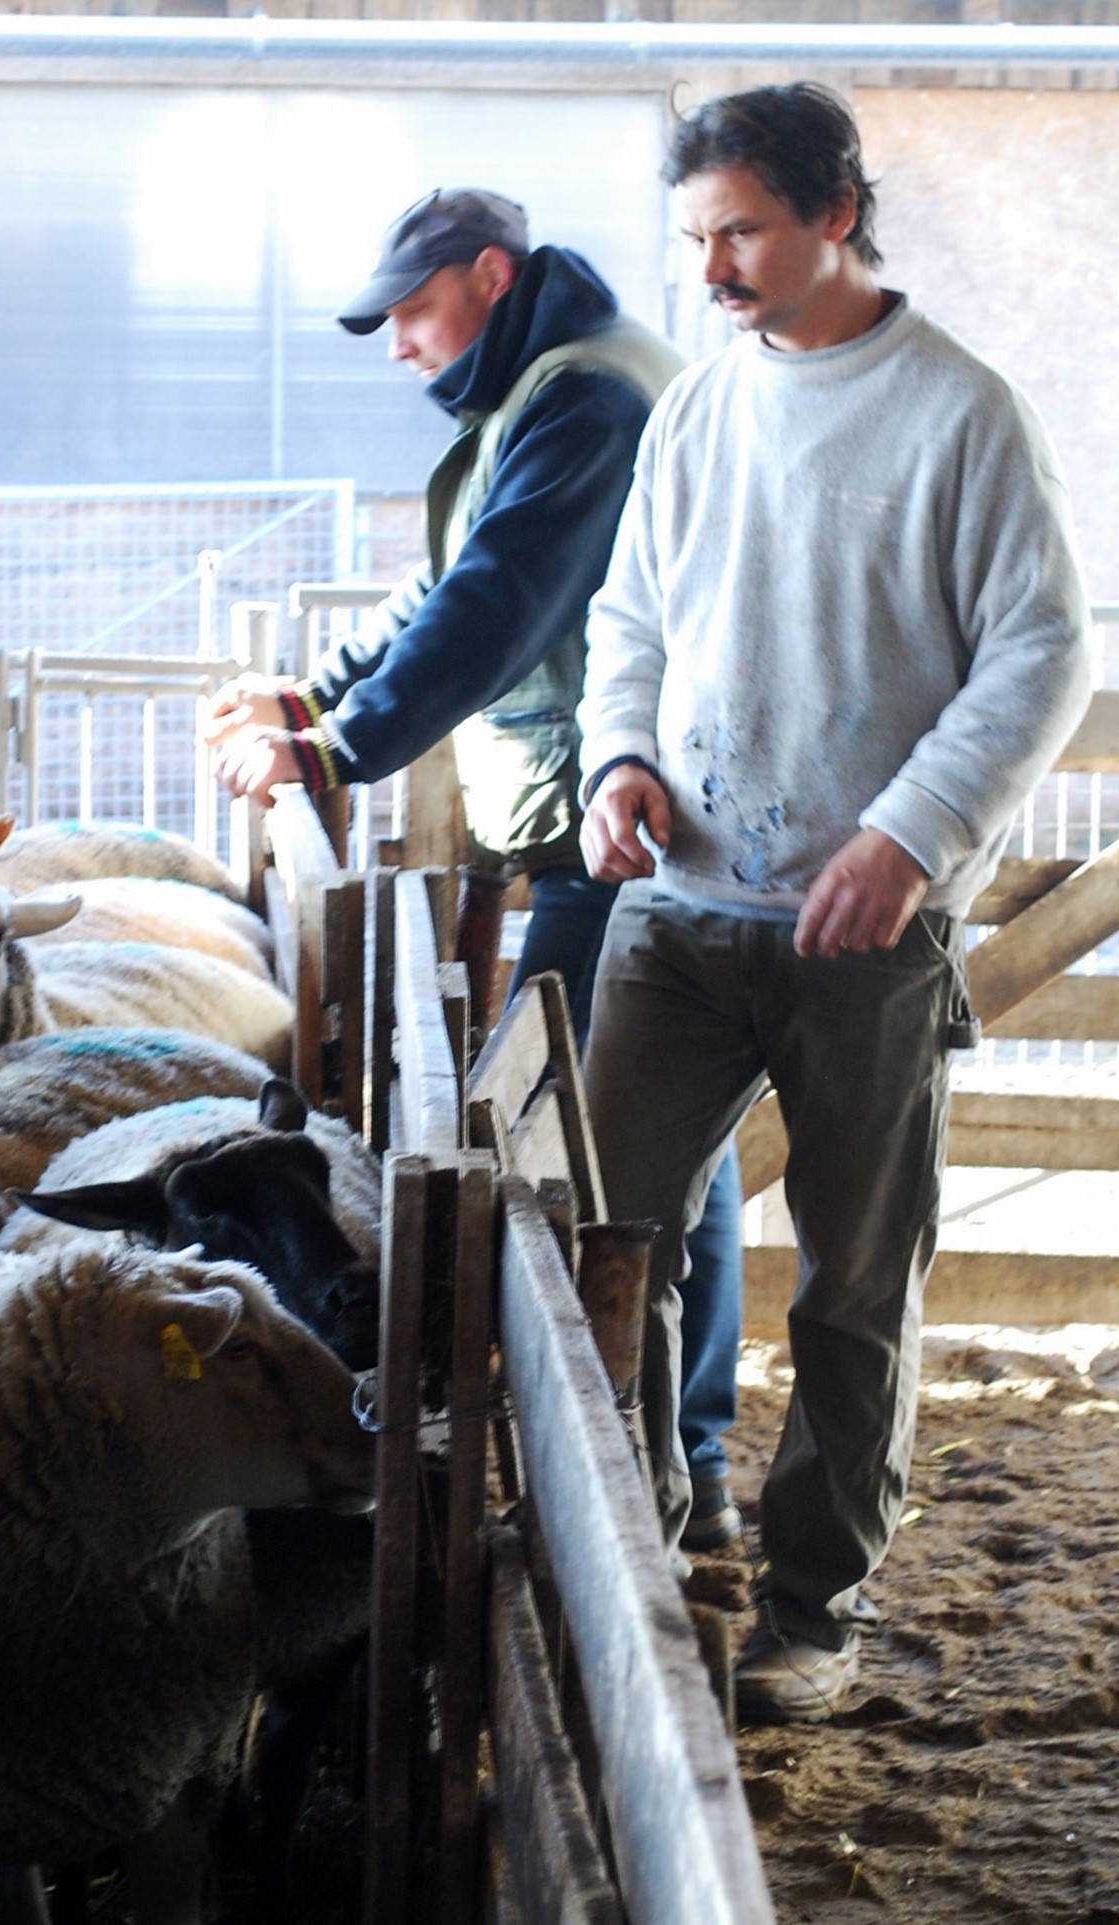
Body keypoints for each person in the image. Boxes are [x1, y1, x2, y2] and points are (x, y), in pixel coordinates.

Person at [575, 84, 1092, 1722]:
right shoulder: (698, 407)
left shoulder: (958, 413)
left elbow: (1040, 651)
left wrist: (910, 834)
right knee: (606, 1232)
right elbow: (629, 616)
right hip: (680, 904)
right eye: (692, 238)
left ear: (836, 211)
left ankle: (812, 1610)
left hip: (866, 925)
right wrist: (616, 759)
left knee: (856, 1278)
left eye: (737, 229)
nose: (710, 266)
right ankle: (634, 1551)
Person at [201, 188, 746, 1541]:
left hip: (617, 823)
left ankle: (660, 1462)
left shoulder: (590, 398)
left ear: (487, 276)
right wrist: (314, 699)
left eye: (407, 310)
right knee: (658, 1139)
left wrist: (335, 754)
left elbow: (499, 603)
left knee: (581, 1129)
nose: (393, 343)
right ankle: (688, 1457)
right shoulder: (542, 393)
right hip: (591, 817)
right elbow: (438, 582)